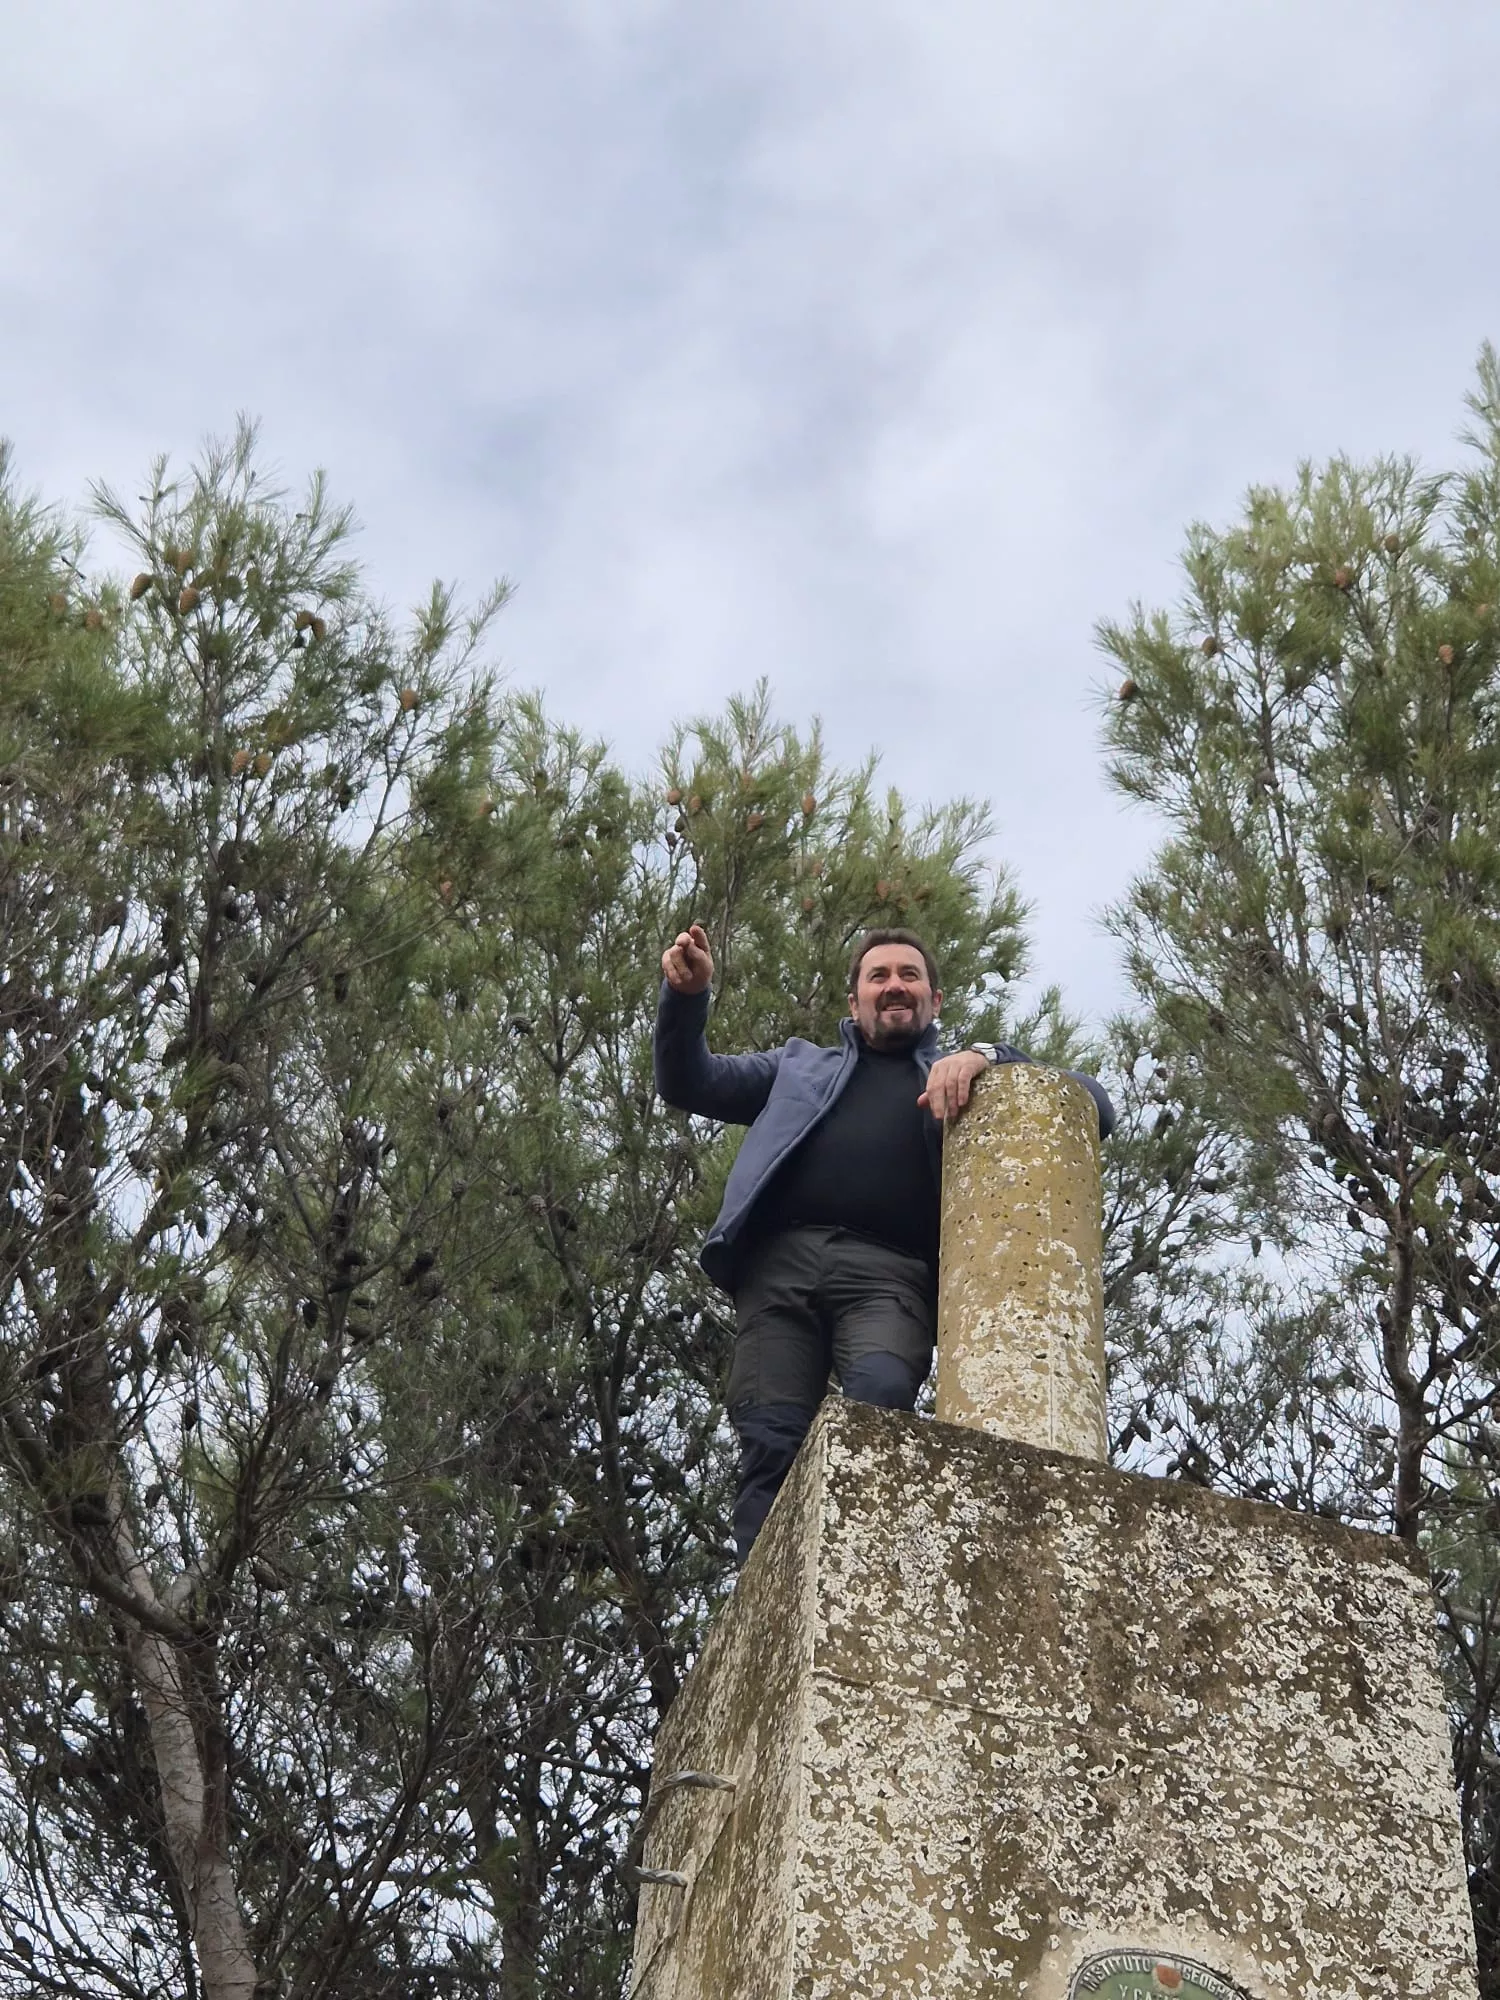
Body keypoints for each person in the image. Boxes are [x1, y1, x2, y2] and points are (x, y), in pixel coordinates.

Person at [654, 923, 1115, 1561]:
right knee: (769, 1437)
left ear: (935, 999)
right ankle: (768, 1599)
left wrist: (989, 1055)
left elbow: (1092, 1104)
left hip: (888, 1276)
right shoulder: (796, 1065)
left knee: (881, 1403)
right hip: (780, 1270)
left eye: (908, 976)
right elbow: (688, 1082)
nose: (894, 986)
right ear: (855, 1001)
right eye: (879, 976)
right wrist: (686, 998)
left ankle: (861, 1574)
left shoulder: (958, 1075)